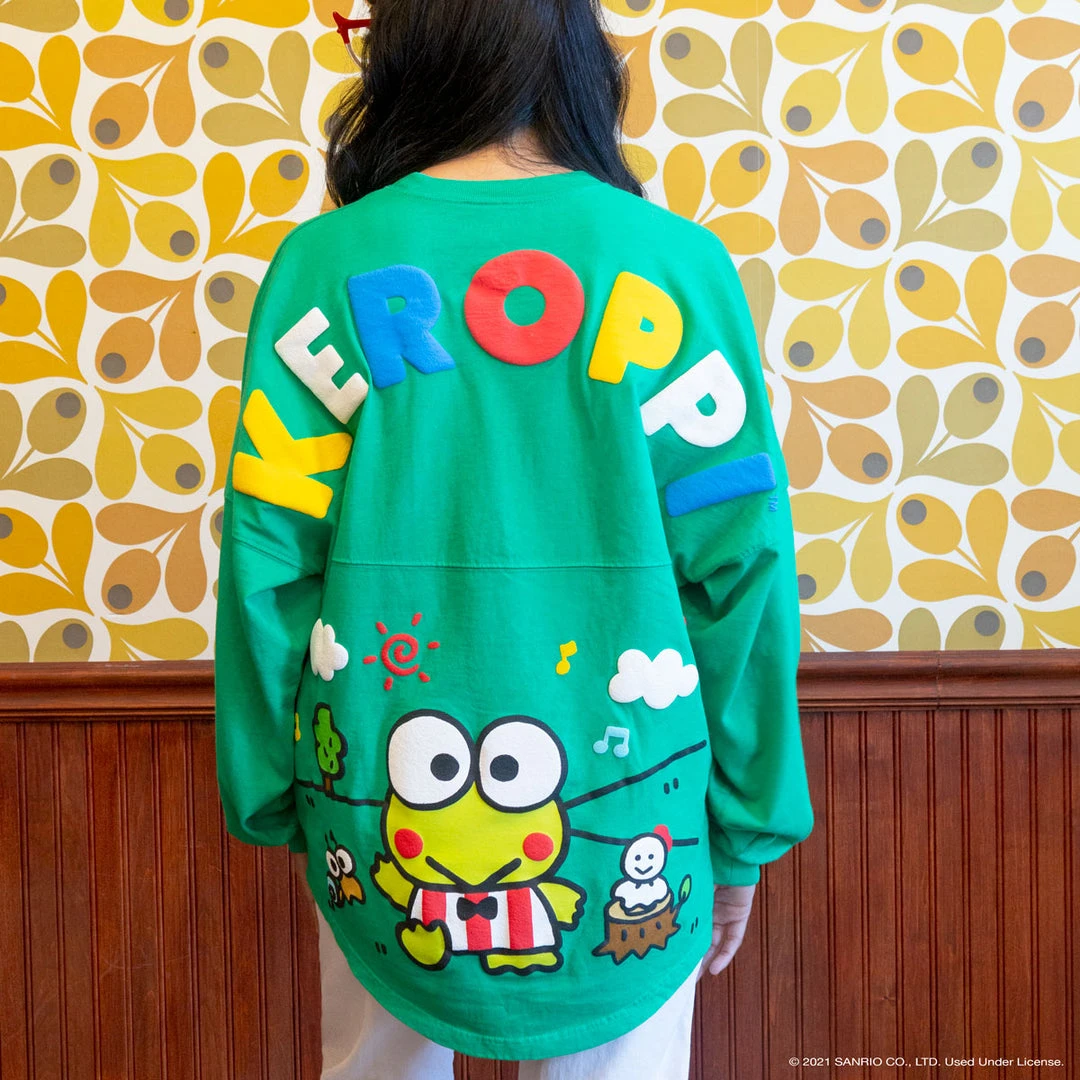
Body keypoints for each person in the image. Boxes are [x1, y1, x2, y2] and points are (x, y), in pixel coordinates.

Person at [213, 0, 815, 1076]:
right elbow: (743, 570)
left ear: (405, 45)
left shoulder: (322, 265)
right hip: (637, 811)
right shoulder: (675, 263)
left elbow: (269, 560)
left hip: (374, 809)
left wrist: (270, 789)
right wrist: (745, 825)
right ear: (573, 50)